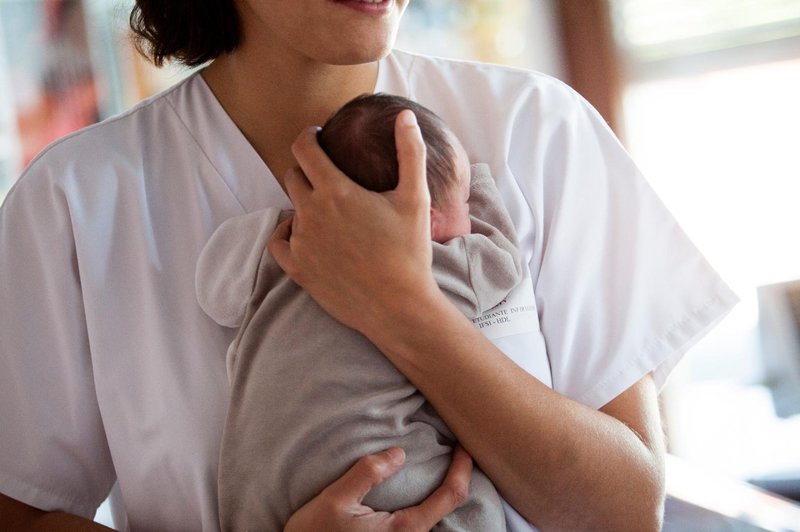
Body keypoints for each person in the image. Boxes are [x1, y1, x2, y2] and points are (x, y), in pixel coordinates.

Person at [0, 0, 738, 530]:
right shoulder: (75, 200)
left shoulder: (537, 132)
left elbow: (626, 513)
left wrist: (403, 307)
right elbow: (22, 508)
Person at [201, 93, 521, 531]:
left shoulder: (284, 247)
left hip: (252, 500)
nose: (469, 215)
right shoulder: (440, 265)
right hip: (379, 482)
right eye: (463, 205)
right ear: (426, 220)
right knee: (472, 496)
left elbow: (213, 293)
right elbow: (505, 265)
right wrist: (478, 183)